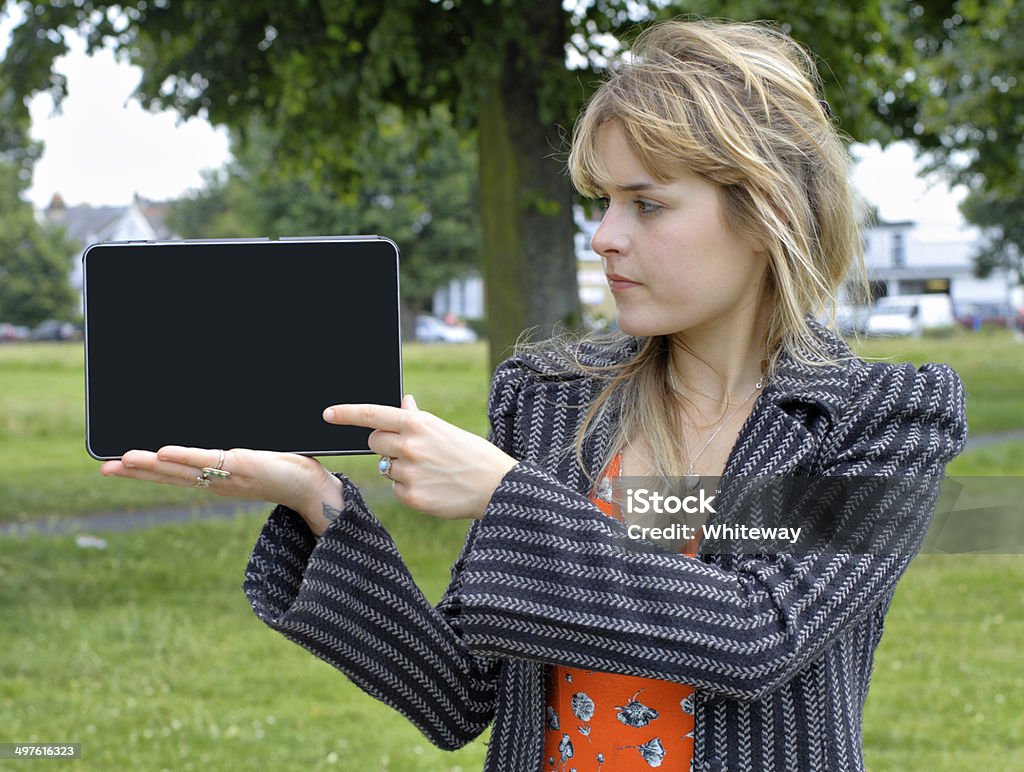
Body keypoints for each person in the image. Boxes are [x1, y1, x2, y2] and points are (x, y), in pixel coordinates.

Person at [101, 19, 966, 772]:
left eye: (647, 204)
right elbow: (459, 694)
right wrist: (318, 499)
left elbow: (756, 635)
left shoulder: (882, 421)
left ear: (766, 212)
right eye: (601, 201)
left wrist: (504, 495)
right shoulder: (550, 401)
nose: (604, 237)